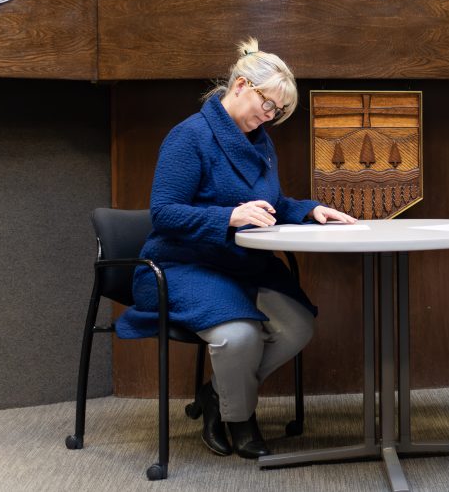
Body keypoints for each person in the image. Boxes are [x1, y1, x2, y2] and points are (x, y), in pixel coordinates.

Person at [116, 39, 356, 458]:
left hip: (241, 264)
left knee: (298, 326)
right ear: (242, 85)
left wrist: (311, 210)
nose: (272, 116)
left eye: (279, 112)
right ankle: (240, 419)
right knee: (238, 335)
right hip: (182, 263)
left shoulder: (260, 141)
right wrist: (227, 217)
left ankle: (216, 395)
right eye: (269, 104)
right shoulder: (189, 136)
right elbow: (164, 213)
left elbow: (271, 204)